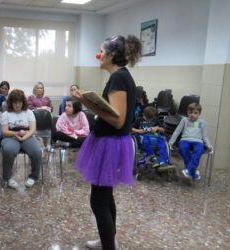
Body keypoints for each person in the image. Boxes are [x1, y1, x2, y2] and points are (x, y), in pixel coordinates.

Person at [73, 35, 142, 250]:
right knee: (106, 197)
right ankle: (108, 240)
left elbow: (118, 119)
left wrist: (87, 103)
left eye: (101, 51)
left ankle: (108, 245)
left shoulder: (119, 78)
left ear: (111, 55)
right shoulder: (119, 76)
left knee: (98, 202)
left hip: (110, 145)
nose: (98, 55)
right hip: (109, 142)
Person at [0, 89, 42, 189]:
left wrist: (23, 138)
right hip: (11, 136)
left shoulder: (29, 113)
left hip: (27, 136)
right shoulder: (6, 114)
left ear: (23, 102)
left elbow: (32, 130)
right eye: (15, 102)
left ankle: (33, 176)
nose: (17, 105)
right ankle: (8, 177)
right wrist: (16, 134)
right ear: (11, 103)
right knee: (9, 150)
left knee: (36, 151)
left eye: (19, 102)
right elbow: (4, 132)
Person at [168, 103, 213, 180]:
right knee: (183, 148)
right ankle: (193, 171)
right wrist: (172, 141)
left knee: (199, 149)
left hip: (198, 141)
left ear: (199, 113)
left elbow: (205, 136)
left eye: (195, 113)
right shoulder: (184, 120)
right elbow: (177, 131)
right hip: (185, 140)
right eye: (190, 112)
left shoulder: (202, 122)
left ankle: (189, 170)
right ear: (187, 112)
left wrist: (209, 145)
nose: (192, 115)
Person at [132, 106, 174, 170]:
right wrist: (139, 131)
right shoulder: (139, 120)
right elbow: (131, 128)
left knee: (163, 142)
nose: (149, 120)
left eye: (150, 119)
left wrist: (157, 128)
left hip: (155, 136)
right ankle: (153, 157)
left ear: (153, 117)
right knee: (145, 141)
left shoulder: (156, 120)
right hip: (144, 136)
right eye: (147, 118)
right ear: (143, 114)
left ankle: (163, 162)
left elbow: (163, 129)